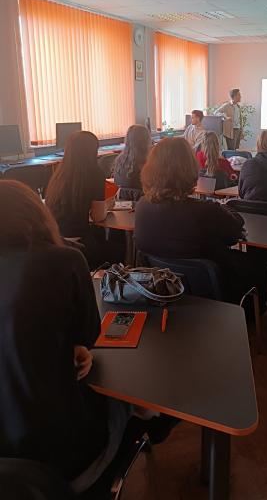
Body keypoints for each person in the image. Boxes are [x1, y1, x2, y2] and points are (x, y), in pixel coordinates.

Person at [0, 181, 176, 494]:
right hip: (64, 462)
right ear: (36, 214)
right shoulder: (63, 261)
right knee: (131, 394)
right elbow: (91, 335)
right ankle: (153, 423)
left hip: (12, 469)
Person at [134, 137, 267, 306]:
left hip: (165, 293)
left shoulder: (142, 206)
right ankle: (254, 313)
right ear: (190, 169)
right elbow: (235, 231)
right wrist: (224, 207)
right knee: (262, 266)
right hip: (215, 293)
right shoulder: (205, 211)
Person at [45, 130, 121, 268]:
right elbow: (98, 217)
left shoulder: (58, 174)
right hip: (80, 244)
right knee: (118, 246)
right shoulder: (95, 174)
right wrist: (108, 205)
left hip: (56, 242)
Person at [114, 124, 151, 201]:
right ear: (146, 141)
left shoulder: (119, 160)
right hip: (143, 202)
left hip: (122, 203)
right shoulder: (147, 162)